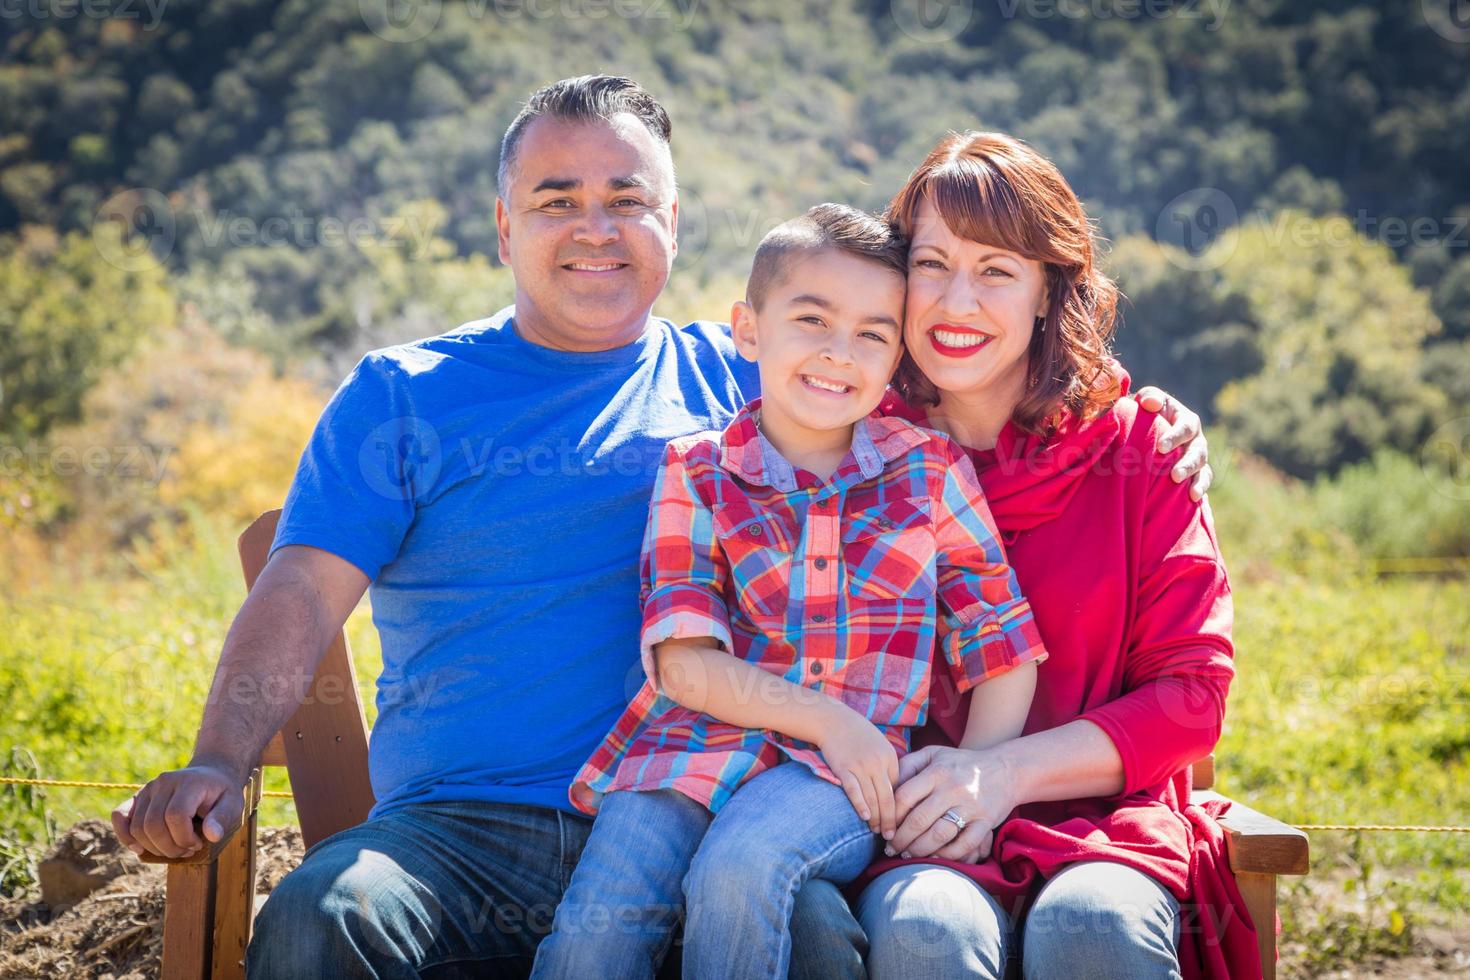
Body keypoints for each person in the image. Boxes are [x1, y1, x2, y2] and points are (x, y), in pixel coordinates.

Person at [109, 75, 1212, 979]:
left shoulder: (753, 382)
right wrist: (219, 757)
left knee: (819, 938)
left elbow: (934, 364)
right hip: (461, 829)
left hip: (719, 807)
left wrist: (1146, 410)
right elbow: (301, 587)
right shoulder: (408, 394)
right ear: (504, 223)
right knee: (322, 915)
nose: (596, 227)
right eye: (555, 198)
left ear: (673, 224)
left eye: (627, 197)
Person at [531, 204, 1046, 980]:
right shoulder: (697, 470)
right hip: (685, 754)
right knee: (596, 931)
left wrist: (961, 787)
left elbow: (1001, 647)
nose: (840, 354)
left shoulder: (931, 474)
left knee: (743, 867)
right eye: (812, 319)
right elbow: (685, 665)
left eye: (874, 333)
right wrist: (831, 721)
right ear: (748, 329)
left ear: (896, 353)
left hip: (842, 781)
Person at [842, 131, 1256, 979]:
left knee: (1092, 927)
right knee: (928, 933)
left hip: (1107, 823)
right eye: (932, 265)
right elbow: (771, 318)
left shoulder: (1144, 449)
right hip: (919, 826)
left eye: (997, 270)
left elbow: (1191, 699)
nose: (957, 302)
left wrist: (1000, 776)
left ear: (1046, 292)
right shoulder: (846, 450)